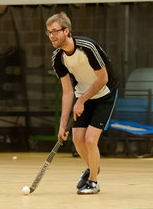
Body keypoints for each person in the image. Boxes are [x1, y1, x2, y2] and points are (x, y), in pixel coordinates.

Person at [46, 12, 119, 194]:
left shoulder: (87, 47)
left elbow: (103, 79)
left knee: (90, 139)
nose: (52, 36)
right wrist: (62, 125)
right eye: (48, 32)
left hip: (105, 93)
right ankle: (93, 167)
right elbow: (67, 92)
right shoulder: (58, 58)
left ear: (66, 31)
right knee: (77, 140)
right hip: (82, 94)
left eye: (55, 31)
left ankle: (93, 182)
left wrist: (83, 101)